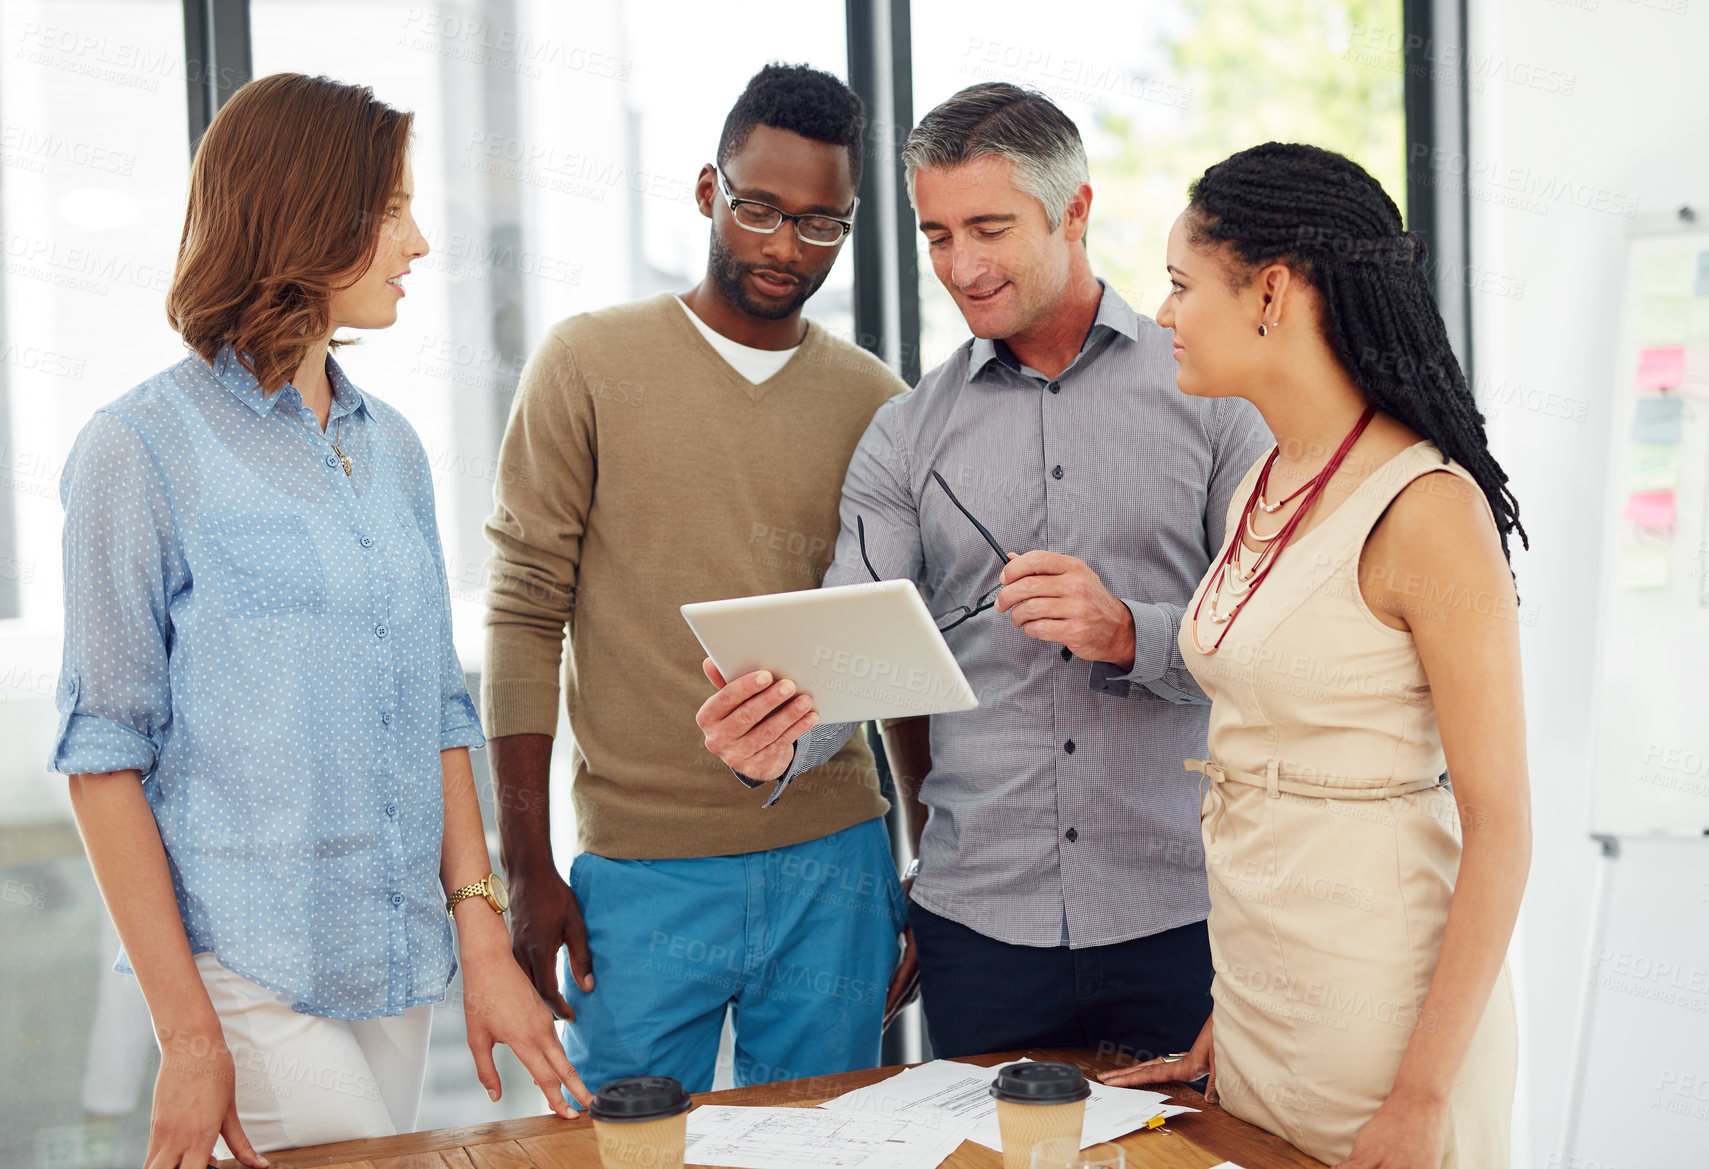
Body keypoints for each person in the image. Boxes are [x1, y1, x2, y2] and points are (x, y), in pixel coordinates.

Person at [51, 73, 587, 1169]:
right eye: (390, 209)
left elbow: (440, 702)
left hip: (397, 962)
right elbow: (102, 755)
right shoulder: (138, 448)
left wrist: (479, 930)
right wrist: (189, 1030)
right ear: (306, 214)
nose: (419, 240)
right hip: (247, 964)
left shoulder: (390, 445)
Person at [697, 82, 1273, 1062]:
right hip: (979, 928)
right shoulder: (903, 432)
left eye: (988, 228)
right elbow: (853, 636)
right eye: (934, 235)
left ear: (1075, 210)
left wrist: (1129, 631)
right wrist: (779, 732)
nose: (958, 267)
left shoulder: (1213, 401)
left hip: (1183, 912)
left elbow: (1276, 638)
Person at [481, 63, 909, 1098]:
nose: (780, 246)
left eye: (819, 224)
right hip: (638, 869)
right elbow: (525, 611)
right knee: (627, 1144)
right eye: (758, 208)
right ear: (708, 189)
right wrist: (526, 865)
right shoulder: (586, 362)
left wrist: (923, 865)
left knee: (831, 1149)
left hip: (834, 860)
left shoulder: (876, 401)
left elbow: (896, 647)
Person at [1098, 143, 1528, 1169]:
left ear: (1271, 292)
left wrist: (1422, 1096)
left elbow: (1501, 829)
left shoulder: (1426, 510)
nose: (1161, 313)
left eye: (1178, 282)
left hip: (1385, 1032)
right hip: (1255, 1012)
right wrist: (1225, 1017)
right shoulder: (1266, 478)